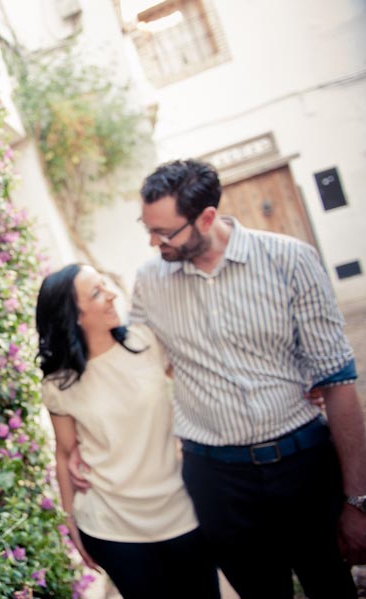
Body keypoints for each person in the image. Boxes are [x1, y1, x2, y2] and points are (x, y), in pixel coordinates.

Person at [72, 158, 366, 598]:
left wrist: (357, 500)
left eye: (164, 233)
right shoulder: (151, 280)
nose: (153, 242)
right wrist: (79, 440)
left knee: (330, 586)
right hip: (217, 481)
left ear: (206, 218)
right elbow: (134, 365)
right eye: (146, 228)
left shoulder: (291, 261)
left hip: (304, 464)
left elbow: (338, 382)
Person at [36, 263, 220, 599]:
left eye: (105, 284)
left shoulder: (147, 342)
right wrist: (70, 523)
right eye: (97, 292)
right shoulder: (58, 384)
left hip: (181, 509)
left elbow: (203, 382)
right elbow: (64, 453)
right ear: (74, 315)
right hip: (110, 524)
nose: (112, 295)